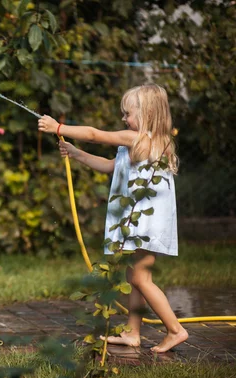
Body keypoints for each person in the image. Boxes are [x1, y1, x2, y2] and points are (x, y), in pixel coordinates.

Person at [37, 83, 188, 353]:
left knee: (142, 280)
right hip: (138, 221)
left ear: (147, 115)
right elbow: (110, 166)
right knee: (135, 278)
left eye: (127, 113)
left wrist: (58, 128)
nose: (123, 119)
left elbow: (94, 134)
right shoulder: (140, 143)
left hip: (143, 223)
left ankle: (175, 330)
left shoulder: (140, 139)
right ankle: (132, 332)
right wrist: (76, 153)